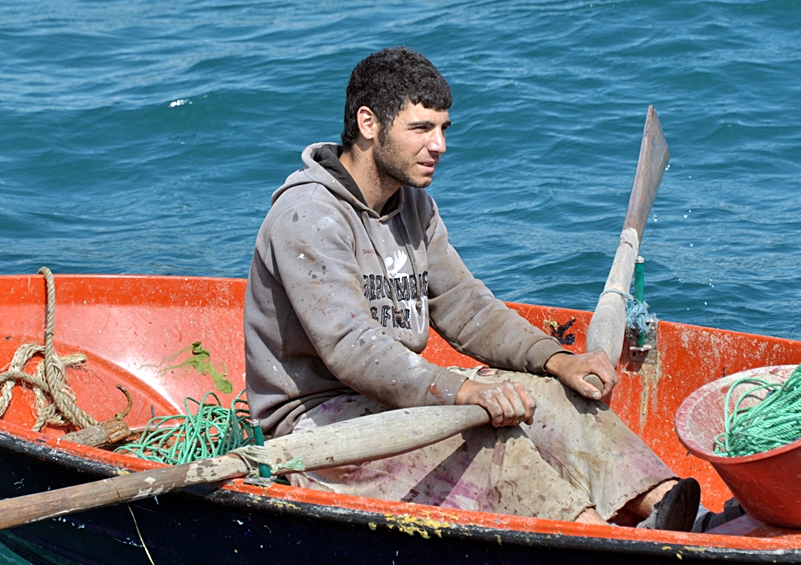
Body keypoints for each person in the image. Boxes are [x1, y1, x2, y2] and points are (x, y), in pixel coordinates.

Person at [243, 46, 699, 530]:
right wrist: (461, 392)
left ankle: (668, 507)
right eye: (421, 129)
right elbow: (352, 348)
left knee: (553, 398)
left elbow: (466, 307)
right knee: (486, 436)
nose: (439, 145)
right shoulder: (308, 215)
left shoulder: (414, 206)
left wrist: (557, 360)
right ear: (368, 124)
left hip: (398, 394)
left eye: (443, 129)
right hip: (320, 426)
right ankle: (595, 535)